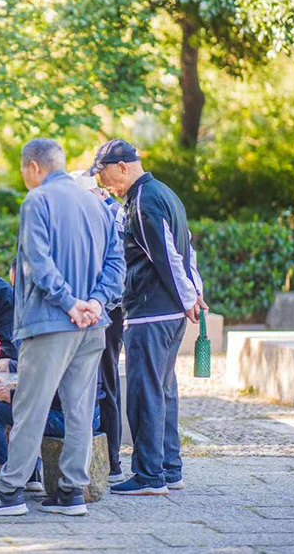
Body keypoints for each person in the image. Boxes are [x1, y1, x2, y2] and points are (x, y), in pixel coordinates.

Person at [0, 138, 124, 517]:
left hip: (51, 322)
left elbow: (36, 261)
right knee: (80, 408)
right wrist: (96, 302)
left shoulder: (37, 200)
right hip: (93, 324)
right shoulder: (98, 203)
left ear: (33, 168)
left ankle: (10, 490)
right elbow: (117, 264)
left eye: (23, 171)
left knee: (30, 407)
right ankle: (71, 492)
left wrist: (70, 303)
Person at [90, 139, 207, 496]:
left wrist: (189, 296)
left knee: (144, 393)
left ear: (123, 166)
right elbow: (188, 250)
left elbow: (167, 256)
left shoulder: (142, 202)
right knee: (165, 391)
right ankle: (170, 469)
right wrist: (195, 291)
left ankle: (148, 475)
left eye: (106, 176)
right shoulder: (163, 194)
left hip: (150, 313)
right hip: (167, 313)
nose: (105, 184)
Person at [72, 170, 128, 484]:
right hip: (88, 311)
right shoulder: (92, 215)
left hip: (107, 312)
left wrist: (95, 303)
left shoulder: (111, 217)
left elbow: (115, 270)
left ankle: (113, 463)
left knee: (105, 384)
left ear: (99, 193)